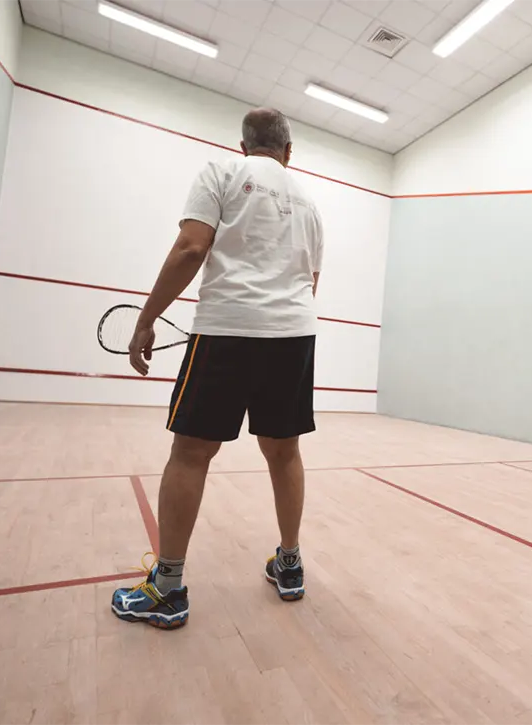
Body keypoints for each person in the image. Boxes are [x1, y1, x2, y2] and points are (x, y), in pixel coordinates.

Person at [110, 108, 324, 629]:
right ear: (288, 152)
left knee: (190, 454)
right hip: (293, 336)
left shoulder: (221, 172)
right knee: (284, 451)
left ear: (244, 146)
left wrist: (146, 319)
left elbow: (190, 247)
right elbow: (310, 280)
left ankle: (166, 588)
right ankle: (289, 563)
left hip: (227, 331)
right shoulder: (310, 203)